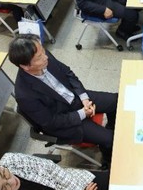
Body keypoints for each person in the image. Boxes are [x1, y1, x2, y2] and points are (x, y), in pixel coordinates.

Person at [9, 34, 118, 165]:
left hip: (75, 98)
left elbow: (68, 73)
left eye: (43, 51)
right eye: (39, 57)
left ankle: (112, 125)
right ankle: (108, 160)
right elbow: (52, 122)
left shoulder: (43, 55)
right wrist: (83, 113)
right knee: (111, 139)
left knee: (116, 101)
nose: (45, 57)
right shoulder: (25, 94)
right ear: (25, 66)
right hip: (64, 120)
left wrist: (84, 98)